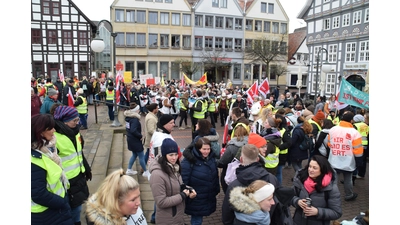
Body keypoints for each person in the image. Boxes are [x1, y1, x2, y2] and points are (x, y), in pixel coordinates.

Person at [221, 144, 279, 225]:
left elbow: (227, 211)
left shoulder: (234, 185)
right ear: (258, 159)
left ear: (241, 159)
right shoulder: (271, 178)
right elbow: (276, 203)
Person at [53, 105, 92, 225]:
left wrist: (86, 168)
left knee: (78, 206)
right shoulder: (55, 138)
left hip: (79, 175)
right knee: (74, 209)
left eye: (77, 120)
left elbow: (79, 153)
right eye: (74, 120)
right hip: (66, 180)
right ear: (64, 122)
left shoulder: (76, 133)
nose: (77, 122)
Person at [31, 114, 73, 225]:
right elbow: (38, 194)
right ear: (40, 132)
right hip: (46, 214)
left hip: (55, 210)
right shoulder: (33, 158)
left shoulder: (45, 149)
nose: (54, 130)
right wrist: (62, 202)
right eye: (50, 128)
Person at [149, 138, 197, 225]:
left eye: (176, 154)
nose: (174, 158)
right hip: (167, 220)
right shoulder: (157, 175)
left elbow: (179, 185)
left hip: (177, 217)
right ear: (164, 155)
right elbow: (161, 202)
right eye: (171, 155)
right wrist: (182, 196)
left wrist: (188, 189)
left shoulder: (175, 167)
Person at [291, 155, 342, 225]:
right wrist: (297, 201)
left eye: (315, 168)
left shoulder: (331, 188)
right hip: (298, 221)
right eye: (310, 166)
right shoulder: (301, 180)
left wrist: (317, 212)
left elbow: (336, 212)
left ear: (322, 170)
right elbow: (290, 196)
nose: (311, 170)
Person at [181, 137, 220, 225]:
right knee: (196, 219)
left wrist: (216, 189)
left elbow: (215, 176)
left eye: (208, 149)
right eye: (204, 149)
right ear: (198, 149)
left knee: (199, 218)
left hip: (207, 196)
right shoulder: (188, 161)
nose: (206, 151)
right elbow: (184, 181)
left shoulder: (211, 158)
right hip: (195, 197)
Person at [327, 111, 363, 201]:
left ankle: (332, 195)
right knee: (348, 179)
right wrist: (359, 161)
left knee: (334, 179)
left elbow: (329, 144)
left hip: (334, 158)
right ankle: (349, 195)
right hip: (348, 160)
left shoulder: (332, 130)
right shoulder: (355, 133)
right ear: (351, 121)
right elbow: (358, 149)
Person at [147, 114, 176, 223]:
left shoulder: (159, 133)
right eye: (171, 123)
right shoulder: (161, 138)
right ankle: (156, 218)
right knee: (161, 197)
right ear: (164, 124)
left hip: (157, 172)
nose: (174, 125)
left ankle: (155, 216)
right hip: (161, 173)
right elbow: (161, 159)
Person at [218, 125, 249, 193]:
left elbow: (223, 162)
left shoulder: (232, 147)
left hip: (231, 174)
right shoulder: (251, 144)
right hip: (247, 172)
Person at [124, 102, 150, 179]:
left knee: (134, 154)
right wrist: (140, 136)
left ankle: (129, 169)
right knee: (141, 156)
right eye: (138, 109)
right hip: (135, 140)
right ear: (135, 110)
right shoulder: (135, 120)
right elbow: (133, 130)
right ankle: (146, 171)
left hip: (130, 139)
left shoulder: (128, 117)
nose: (139, 110)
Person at [353, 113, 369, 179]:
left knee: (355, 159)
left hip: (357, 144)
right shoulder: (366, 125)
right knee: (363, 160)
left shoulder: (355, 125)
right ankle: (361, 174)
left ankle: (354, 173)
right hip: (365, 144)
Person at [144, 103, 159, 169]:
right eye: (157, 108)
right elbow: (151, 130)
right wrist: (158, 134)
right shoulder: (151, 118)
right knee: (148, 153)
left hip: (151, 139)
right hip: (151, 139)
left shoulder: (150, 115)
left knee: (148, 152)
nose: (158, 109)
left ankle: (143, 166)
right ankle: (143, 166)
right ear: (154, 109)